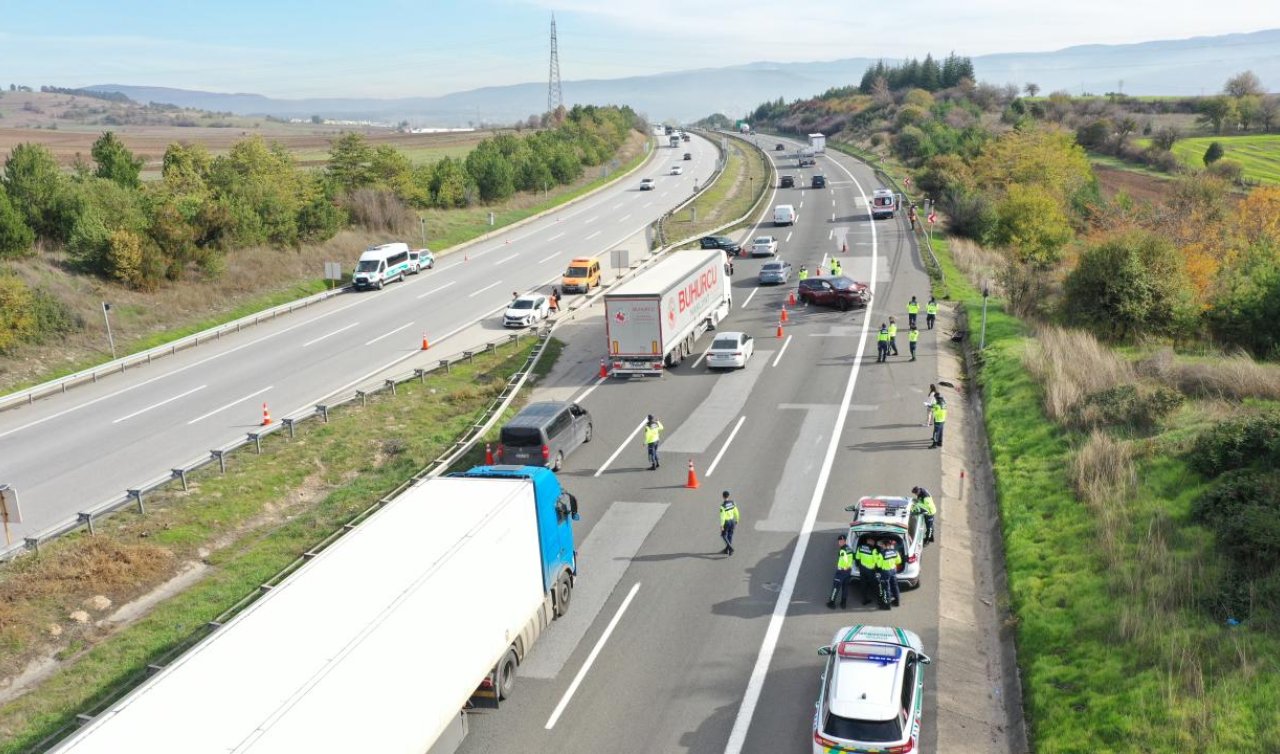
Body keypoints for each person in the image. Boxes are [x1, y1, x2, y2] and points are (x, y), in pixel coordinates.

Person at [827, 534, 855, 608]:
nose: (839, 542)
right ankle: (843, 603)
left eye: (841, 541)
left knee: (836, 587)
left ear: (844, 541)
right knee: (845, 587)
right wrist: (849, 567)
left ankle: (831, 603)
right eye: (839, 541)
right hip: (848, 571)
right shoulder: (849, 549)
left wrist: (845, 566)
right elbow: (853, 557)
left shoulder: (842, 550)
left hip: (841, 571)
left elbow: (845, 559)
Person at [855, 536, 882, 605]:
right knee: (875, 585)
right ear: (870, 541)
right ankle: (880, 600)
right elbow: (876, 561)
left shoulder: (860, 547)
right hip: (870, 570)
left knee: (863, 584)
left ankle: (864, 600)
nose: (874, 542)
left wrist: (858, 566)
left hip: (862, 569)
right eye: (873, 541)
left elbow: (857, 558)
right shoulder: (873, 550)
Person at [878, 538, 903, 608]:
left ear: (885, 545)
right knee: (895, 586)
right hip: (893, 571)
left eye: (882, 545)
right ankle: (897, 602)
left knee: (886, 588)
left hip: (885, 572)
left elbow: (879, 565)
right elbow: (899, 561)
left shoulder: (882, 554)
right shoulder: (895, 552)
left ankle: (887, 605)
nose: (882, 546)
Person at [719, 491, 740, 555]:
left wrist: (722, 525)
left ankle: (730, 548)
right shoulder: (733, 503)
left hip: (726, 522)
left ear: (723, 496)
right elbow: (736, 512)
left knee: (723, 535)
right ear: (728, 496)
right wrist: (737, 519)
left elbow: (722, 517)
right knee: (730, 535)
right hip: (732, 521)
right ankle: (727, 550)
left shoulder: (722, 506)